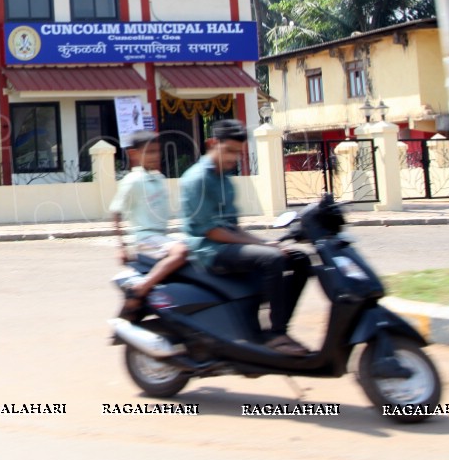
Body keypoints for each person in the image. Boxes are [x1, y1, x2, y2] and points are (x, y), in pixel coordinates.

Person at [181, 119, 312, 356]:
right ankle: (276, 334)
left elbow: (233, 228)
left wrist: (266, 243)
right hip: (209, 251)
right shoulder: (197, 179)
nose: (233, 158)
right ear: (212, 143)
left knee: (300, 259)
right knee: (272, 260)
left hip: (226, 244)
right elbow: (212, 232)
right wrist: (263, 248)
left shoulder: (225, 180)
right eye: (228, 150)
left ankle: (276, 326)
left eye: (237, 153)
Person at [110, 130, 189, 319]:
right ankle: (140, 288)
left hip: (161, 237)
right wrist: (121, 247)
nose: (155, 156)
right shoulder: (132, 181)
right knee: (181, 252)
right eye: (149, 151)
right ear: (133, 154)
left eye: (157, 151)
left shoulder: (159, 179)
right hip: (145, 238)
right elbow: (116, 211)